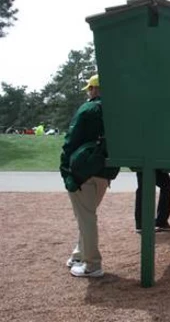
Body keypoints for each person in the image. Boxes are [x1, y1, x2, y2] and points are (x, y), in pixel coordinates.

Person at [60, 74, 119, 278]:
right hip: (106, 171)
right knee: (87, 217)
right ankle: (78, 255)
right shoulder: (118, 110)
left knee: (86, 218)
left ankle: (92, 264)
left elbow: (70, 141)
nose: (88, 92)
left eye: (90, 88)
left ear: (95, 89)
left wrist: (65, 169)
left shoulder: (88, 109)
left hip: (83, 170)